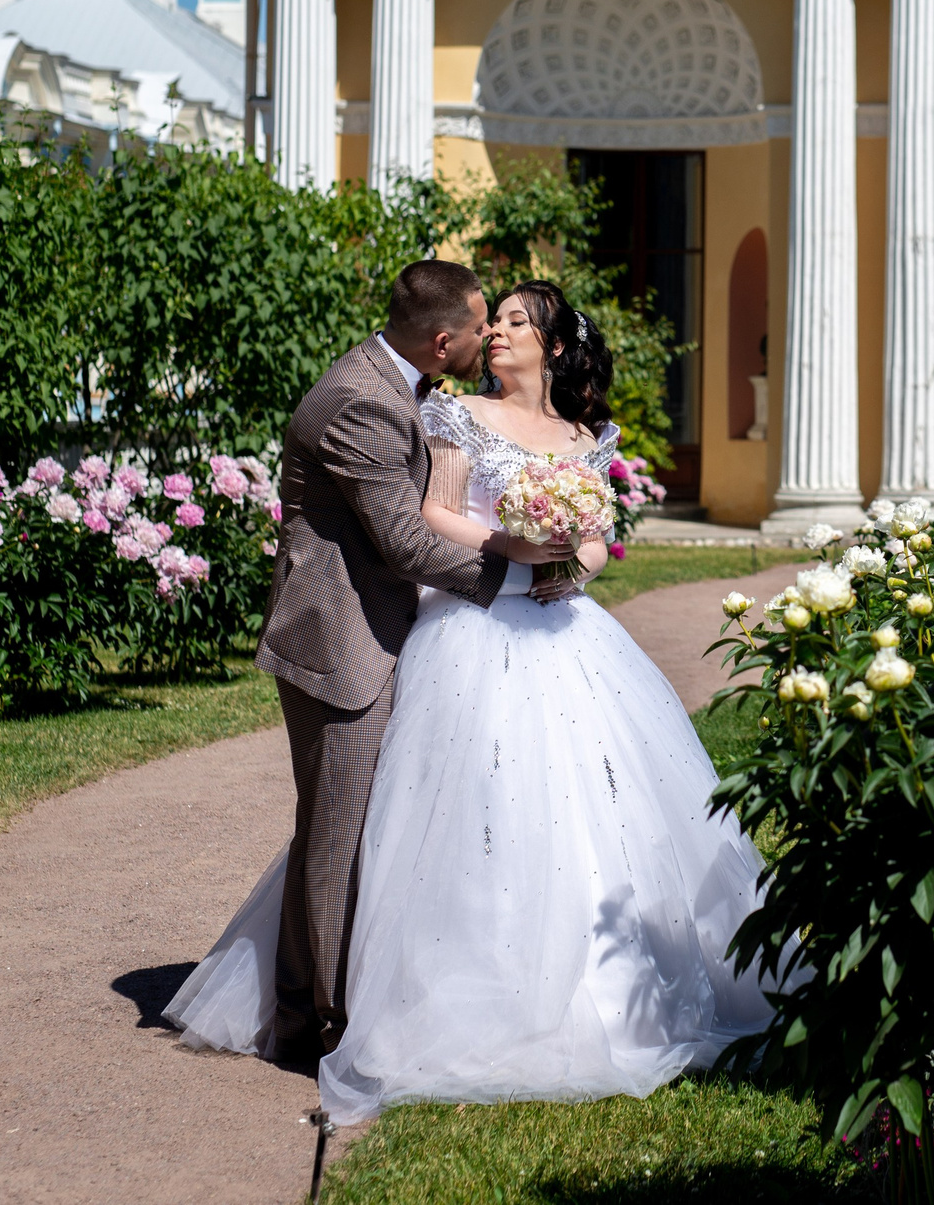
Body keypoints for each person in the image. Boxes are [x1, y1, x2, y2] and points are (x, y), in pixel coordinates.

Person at [168, 279, 772, 1122]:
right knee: (437, 806)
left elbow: (596, 535)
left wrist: (575, 560)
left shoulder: (585, 435)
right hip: (473, 629)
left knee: (586, 804)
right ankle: (363, 996)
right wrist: (517, 551)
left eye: (516, 321)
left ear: (553, 346)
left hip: (567, 631)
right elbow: (431, 515)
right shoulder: (457, 416)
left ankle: (600, 980)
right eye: (493, 320)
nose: (497, 332)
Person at [236, 259, 567, 1067]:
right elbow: (407, 543)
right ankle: (330, 1027)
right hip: (340, 638)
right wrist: (526, 573)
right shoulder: (365, 400)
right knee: (339, 836)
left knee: (341, 826)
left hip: (380, 625)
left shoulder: (402, 382)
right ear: (442, 340)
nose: (491, 335)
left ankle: (300, 1010)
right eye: (482, 324)